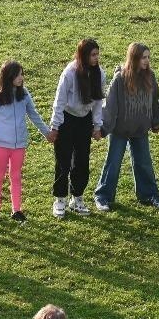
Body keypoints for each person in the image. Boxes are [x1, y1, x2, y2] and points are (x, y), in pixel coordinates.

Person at [0, 61, 55, 225]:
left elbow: (34, 115)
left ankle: (16, 210)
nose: (21, 78)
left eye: (22, 74)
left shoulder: (24, 94)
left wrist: (47, 133)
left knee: (16, 176)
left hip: (19, 145)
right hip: (2, 145)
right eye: (18, 75)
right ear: (8, 77)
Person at [94, 42, 159, 211]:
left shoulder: (150, 77)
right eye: (143, 58)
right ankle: (103, 196)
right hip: (119, 130)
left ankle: (149, 195)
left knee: (144, 162)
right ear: (134, 58)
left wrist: (155, 121)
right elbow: (110, 106)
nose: (146, 61)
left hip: (140, 130)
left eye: (148, 57)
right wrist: (103, 129)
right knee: (114, 162)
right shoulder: (120, 79)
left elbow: (154, 101)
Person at [50, 39, 105, 217]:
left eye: (97, 54)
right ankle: (60, 199)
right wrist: (55, 126)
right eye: (92, 55)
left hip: (84, 120)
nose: (96, 58)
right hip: (67, 119)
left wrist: (97, 126)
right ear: (83, 55)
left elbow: (98, 102)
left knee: (82, 161)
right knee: (63, 160)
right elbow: (59, 101)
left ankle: (77, 198)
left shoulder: (99, 74)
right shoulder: (70, 73)